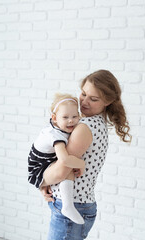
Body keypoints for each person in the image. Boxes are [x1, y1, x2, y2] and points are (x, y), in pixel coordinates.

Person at [41, 69, 132, 240]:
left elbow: (63, 169)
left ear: (108, 101)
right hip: (80, 203)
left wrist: (41, 181)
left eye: (93, 98)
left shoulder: (84, 126)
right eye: (83, 94)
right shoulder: (97, 123)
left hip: (71, 206)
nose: (84, 102)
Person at [28, 93, 85, 224]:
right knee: (68, 165)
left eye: (75, 116)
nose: (71, 120)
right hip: (39, 168)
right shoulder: (55, 136)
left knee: (67, 165)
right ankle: (68, 206)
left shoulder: (61, 127)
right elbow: (64, 160)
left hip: (46, 161)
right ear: (54, 118)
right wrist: (81, 164)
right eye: (65, 117)